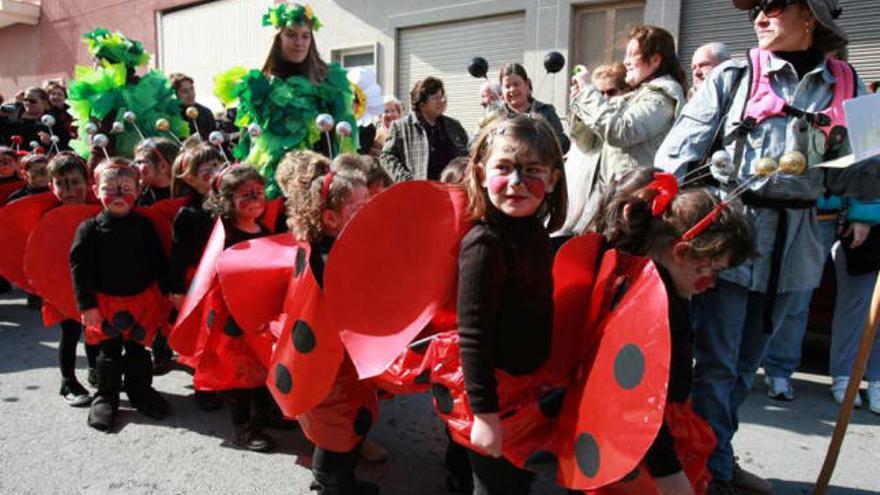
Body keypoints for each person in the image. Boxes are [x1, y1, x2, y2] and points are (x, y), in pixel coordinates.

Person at [655, 1, 867, 492]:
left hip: (800, 246)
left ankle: (718, 454)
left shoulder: (851, 83)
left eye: (774, 4)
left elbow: (869, 174)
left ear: (811, 15)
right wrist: (656, 210)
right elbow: (674, 158)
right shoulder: (733, 76)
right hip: (730, 239)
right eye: (756, 7)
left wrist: (864, 204)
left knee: (747, 368)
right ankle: (711, 474)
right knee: (717, 367)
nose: (760, 16)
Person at [587, 168, 755, 495]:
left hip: (654, 437)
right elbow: (635, 404)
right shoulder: (652, 306)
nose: (713, 283)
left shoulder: (667, 290)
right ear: (681, 253)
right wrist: (668, 473)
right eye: (714, 270)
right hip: (640, 451)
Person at [456, 114, 565, 494]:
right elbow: (472, 335)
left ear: (552, 179)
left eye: (532, 170)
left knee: (517, 478)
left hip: (524, 387)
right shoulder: (485, 245)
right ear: (483, 174)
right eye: (505, 168)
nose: (517, 183)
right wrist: (485, 415)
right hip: (495, 394)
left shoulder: (534, 231)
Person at [278, 151, 378, 494]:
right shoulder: (326, 255)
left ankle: (340, 481)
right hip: (329, 364)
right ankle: (330, 485)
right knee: (336, 430)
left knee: (347, 423)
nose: (368, 212)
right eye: (358, 208)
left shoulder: (336, 242)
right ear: (331, 219)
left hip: (344, 360)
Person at [214, 2, 358, 198]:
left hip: (318, 178)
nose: (299, 42)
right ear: (277, 38)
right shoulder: (260, 85)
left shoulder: (328, 80)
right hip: (271, 179)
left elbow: (344, 137)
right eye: (291, 34)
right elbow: (249, 138)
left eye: (305, 35)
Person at [71, 159, 172, 431]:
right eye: (111, 189)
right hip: (105, 304)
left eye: (126, 189)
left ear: (138, 191)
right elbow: (79, 269)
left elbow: (158, 262)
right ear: (96, 190)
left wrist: (168, 293)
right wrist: (87, 305)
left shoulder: (144, 226)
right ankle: (106, 396)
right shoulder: (89, 229)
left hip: (142, 301)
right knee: (109, 352)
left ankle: (140, 391)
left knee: (139, 349)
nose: (119, 196)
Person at [193, 164, 279, 451]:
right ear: (227, 200)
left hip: (260, 316)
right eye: (246, 194)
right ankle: (243, 428)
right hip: (233, 318)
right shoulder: (224, 236)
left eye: (259, 192)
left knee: (263, 366)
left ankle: (265, 412)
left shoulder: (263, 229)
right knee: (239, 374)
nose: (256, 199)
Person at [571, 25, 687, 188]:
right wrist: (581, 101)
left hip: (639, 198)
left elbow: (619, 132)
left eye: (633, 55)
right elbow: (588, 145)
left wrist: (588, 93)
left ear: (655, 60)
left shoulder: (662, 96)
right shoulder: (634, 97)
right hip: (617, 192)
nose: (626, 62)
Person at [67, 28, 188, 160]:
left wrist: (92, 170)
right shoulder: (148, 90)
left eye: (97, 60)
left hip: (119, 164)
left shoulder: (105, 95)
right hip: (149, 161)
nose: (94, 65)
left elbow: (101, 141)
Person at [167, 142, 225, 411]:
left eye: (217, 164)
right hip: (199, 281)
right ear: (189, 178)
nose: (215, 171)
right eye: (206, 168)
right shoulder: (187, 214)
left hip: (225, 278)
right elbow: (178, 256)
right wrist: (177, 291)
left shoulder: (228, 204)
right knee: (203, 333)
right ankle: (204, 384)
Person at [558, 63, 629, 238]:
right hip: (583, 189)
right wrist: (579, 111)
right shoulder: (596, 113)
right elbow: (584, 142)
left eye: (611, 92)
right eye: (600, 93)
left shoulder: (625, 119)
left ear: (625, 90)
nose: (605, 98)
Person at [379, 76, 469, 182]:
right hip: (419, 191)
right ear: (422, 104)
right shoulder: (401, 127)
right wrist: (405, 180)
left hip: (450, 190)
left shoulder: (453, 125)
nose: (442, 100)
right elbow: (386, 156)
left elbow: (466, 154)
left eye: (442, 96)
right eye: (436, 98)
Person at [499, 63, 570, 154]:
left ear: (527, 84)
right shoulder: (495, 114)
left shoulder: (545, 111)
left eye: (516, 84)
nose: (512, 89)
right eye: (507, 86)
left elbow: (563, 142)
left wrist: (538, 146)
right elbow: (476, 143)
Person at [1, 87, 70, 151]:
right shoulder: (13, 114)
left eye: (32, 101)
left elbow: (66, 144)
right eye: (25, 100)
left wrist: (51, 141)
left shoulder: (52, 119)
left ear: (44, 102)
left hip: (41, 160)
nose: (27, 103)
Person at [170, 73, 217, 141]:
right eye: (185, 91)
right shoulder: (172, 115)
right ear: (175, 94)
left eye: (192, 89)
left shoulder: (205, 112)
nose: (190, 94)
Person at [133, 138, 179, 207]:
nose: (134, 167)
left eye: (140, 162)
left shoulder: (188, 196)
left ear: (162, 166)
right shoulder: (135, 195)